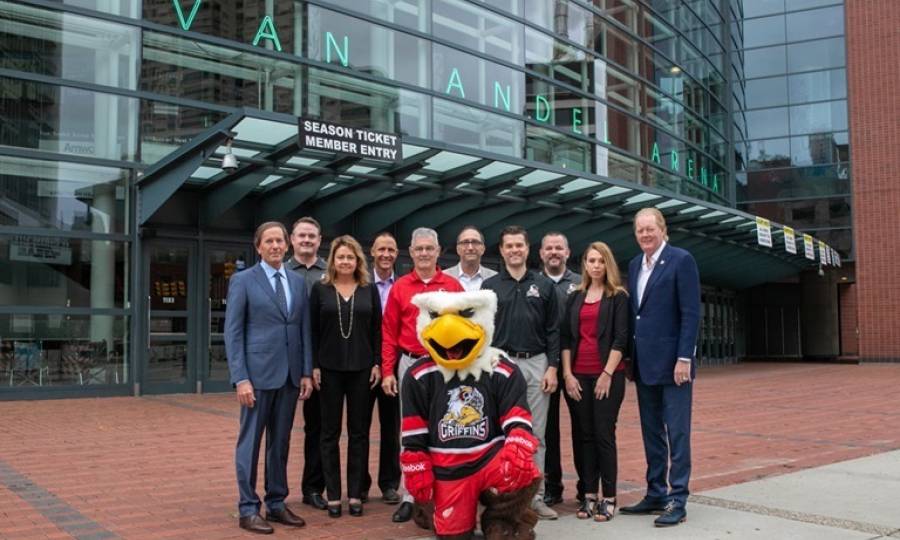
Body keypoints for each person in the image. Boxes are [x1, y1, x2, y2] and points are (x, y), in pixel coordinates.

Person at [225, 222, 313, 534]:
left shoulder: (297, 282)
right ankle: (248, 508)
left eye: (280, 241)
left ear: (287, 245)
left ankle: (276, 503)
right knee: (250, 443)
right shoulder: (243, 280)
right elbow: (233, 332)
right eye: (269, 241)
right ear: (258, 246)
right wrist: (241, 378)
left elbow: (303, 329)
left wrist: (305, 371)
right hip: (257, 377)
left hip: (289, 376)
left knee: (280, 443)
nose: (275, 246)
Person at [620, 207, 700, 527]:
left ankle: (677, 498)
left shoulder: (681, 260)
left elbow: (691, 313)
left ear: (663, 230)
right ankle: (655, 492)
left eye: (650, 229)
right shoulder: (634, 264)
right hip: (644, 364)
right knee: (651, 432)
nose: (645, 234)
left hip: (674, 365)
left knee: (677, 433)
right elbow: (636, 315)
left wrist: (685, 358)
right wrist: (629, 358)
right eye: (640, 230)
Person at [381, 227, 464, 522]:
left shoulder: (453, 286)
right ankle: (410, 495)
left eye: (430, 248)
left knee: (446, 427)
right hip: (410, 364)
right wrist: (388, 371)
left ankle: (444, 490)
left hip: (445, 366)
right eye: (419, 249)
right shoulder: (400, 287)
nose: (425, 253)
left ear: (438, 251)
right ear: (411, 252)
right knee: (411, 431)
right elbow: (389, 332)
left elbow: (467, 327)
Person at [481, 225, 561, 520]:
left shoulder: (544, 285)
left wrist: (552, 367)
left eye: (519, 245)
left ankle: (534, 497)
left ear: (528, 249)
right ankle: (501, 495)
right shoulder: (489, 286)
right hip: (499, 365)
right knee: (498, 432)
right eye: (509, 246)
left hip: (536, 363)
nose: (515, 250)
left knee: (535, 433)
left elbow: (554, 330)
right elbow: (481, 329)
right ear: (502, 251)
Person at [309, 235, 382, 518]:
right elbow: (312, 331)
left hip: (362, 369)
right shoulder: (320, 289)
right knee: (329, 433)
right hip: (329, 369)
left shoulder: (368, 289)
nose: (345, 261)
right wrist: (314, 365)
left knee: (359, 433)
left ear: (358, 260)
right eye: (340, 257)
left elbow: (377, 329)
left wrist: (377, 363)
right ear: (333, 260)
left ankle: (354, 494)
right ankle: (333, 495)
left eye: (350, 257)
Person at [560, 242, 629, 523]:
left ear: (608, 264)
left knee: (603, 434)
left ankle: (609, 497)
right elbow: (566, 339)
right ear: (585, 265)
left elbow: (621, 339)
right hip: (578, 377)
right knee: (584, 436)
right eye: (591, 261)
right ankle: (589, 495)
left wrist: (607, 374)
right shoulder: (575, 297)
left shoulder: (618, 297)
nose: (596, 266)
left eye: (601, 261)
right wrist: (567, 375)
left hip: (608, 377)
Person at [538, 232, 583, 506]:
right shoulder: (535, 284)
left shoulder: (581, 283)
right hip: (546, 368)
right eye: (549, 248)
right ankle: (552, 486)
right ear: (541, 253)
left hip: (578, 367)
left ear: (567, 252)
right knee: (547, 429)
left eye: (559, 248)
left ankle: (586, 486)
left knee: (583, 427)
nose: (554, 252)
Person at [286, 216, 327, 511]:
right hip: (287, 361)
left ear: (319, 240)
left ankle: (313, 488)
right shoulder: (282, 271)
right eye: (301, 235)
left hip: (321, 364)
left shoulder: (330, 272)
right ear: (292, 239)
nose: (306, 240)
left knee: (318, 429)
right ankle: (275, 493)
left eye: (312, 236)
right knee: (279, 429)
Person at [362, 232, 402, 505]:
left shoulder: (403, 285)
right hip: (364, 366)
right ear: (372, 253)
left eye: (391, 250)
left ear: (397, 254)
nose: (386, 254)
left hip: (394, 366)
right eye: (381, 249)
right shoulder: (361, 284)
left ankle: (389, 483)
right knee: (360, 427)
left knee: (391, 427)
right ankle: (360, 484)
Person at [444, 225, 497, 292]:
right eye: (465, 242)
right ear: (457, 249)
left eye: (475, 242)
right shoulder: (444, 277)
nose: (470, 248)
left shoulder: (496, 278)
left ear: (483, 248)